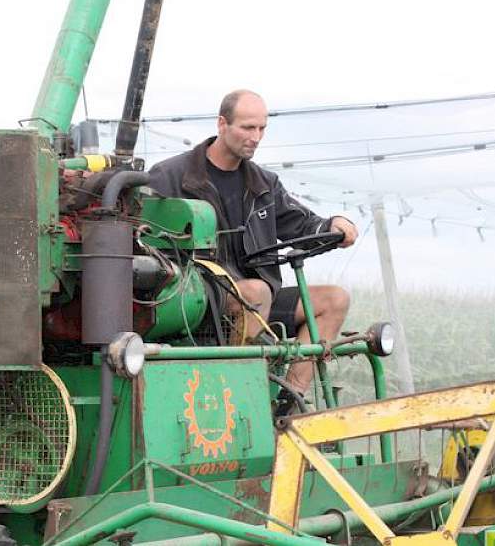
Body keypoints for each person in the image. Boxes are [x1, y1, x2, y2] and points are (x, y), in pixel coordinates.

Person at [147, 89, 358, 415]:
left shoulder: (263, 184)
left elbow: (304, 224)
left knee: (335, 299)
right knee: (257, 291)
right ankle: (243, 398)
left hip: (259, 301)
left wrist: (335, 223)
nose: (256, 137)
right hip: (199, 298)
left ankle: (287, 401)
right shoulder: (170, 177)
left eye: (261, 128)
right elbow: (144, 237)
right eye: (247, 128)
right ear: (222, 123)